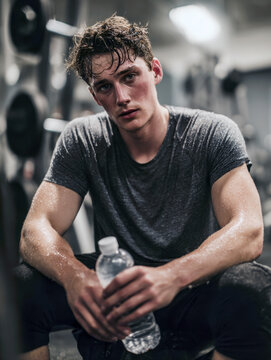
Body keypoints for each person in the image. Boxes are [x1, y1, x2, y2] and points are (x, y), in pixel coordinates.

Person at [16, 14, 271, 360]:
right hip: (117, 301)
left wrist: (171, 277)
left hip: (190, 293)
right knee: (22, 285)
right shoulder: (82, 139)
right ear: (95, 95)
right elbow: (35, 229)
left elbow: (249, 230)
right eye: (105, 86)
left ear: (155, 71)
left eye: (129, 76)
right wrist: (75, 278)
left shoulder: (212, 133)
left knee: (254, 288)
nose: (121, 96)